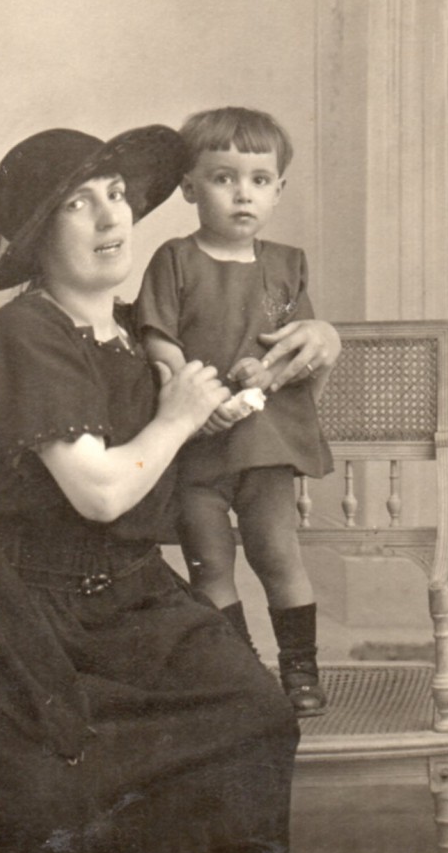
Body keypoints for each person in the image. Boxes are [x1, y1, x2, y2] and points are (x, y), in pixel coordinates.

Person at [0, 124, 314, 853]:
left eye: (116, 195)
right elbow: (103, 491)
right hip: (21, 614)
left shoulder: (123, 330)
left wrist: (318, 335)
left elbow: (252, 325)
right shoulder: (24, 334)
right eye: (78, 205)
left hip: (132, 599)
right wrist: (180, 415)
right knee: (60, 791)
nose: (112, 218)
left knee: (257, 715)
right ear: (34, 238)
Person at [137, 106, 335, 718]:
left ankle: (299, 670)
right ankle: (238, 672)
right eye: (223, 178)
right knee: (211, 563)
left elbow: (298, 345)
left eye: (257, 179)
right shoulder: (175, 259)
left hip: (266, 441)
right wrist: (197, 391)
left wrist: (266, 374)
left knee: (277, 554)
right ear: (191, 188)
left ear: (278, 190)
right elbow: (158, 340)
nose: (242, 193)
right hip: (197, 443)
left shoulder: (286, 264)